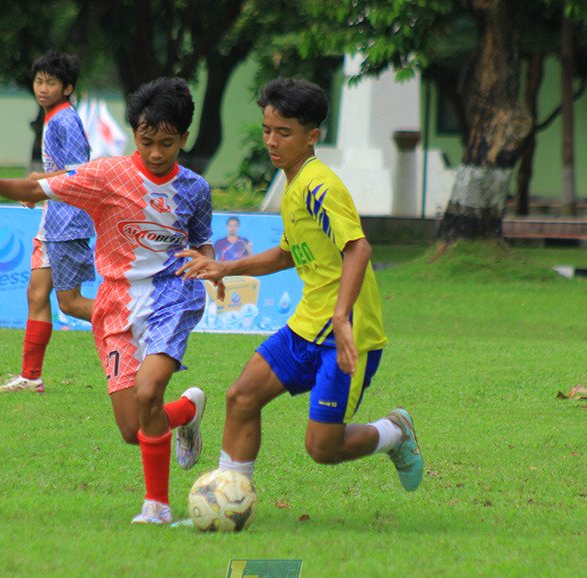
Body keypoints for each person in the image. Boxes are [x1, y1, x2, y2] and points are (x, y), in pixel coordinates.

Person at [0, 77, 218, 524]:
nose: (155, 153)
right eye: (147, 141)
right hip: (116, 305)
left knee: (149, 391)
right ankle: (188, 409)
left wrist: (210, 265)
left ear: (184, 138)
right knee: (132, 428)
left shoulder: (195, 189)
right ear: (134, 133)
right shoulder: (107, 176)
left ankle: (156, 507)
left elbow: (202, 240)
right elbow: (37, 190)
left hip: (172, 297)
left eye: (167, 144)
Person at [177, 78, 423, 492]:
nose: (271, 142)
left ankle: (394, 432)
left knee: (322, 447)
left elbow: (358, 249)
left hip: (345, 333)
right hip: (309, 322)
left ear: (312, 136)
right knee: (241, 396)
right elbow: (287, 254)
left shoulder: (318, 185)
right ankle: (230, 497)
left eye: (284, 133)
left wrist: (341, 317)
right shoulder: (294, 183)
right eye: (267, 130)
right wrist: (224, 268)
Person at [0, 50, 96, 394]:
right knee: (36, 295)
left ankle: (134, 324)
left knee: (70, 303)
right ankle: (31, 377)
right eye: (39, 81)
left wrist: (38, 182)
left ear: (68, 88)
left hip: (69, 223)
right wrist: (39, 190)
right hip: (52, 222)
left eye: (51, 83)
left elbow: (80, 173)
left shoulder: (66, 120)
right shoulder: (52, 118)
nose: (43, 88)